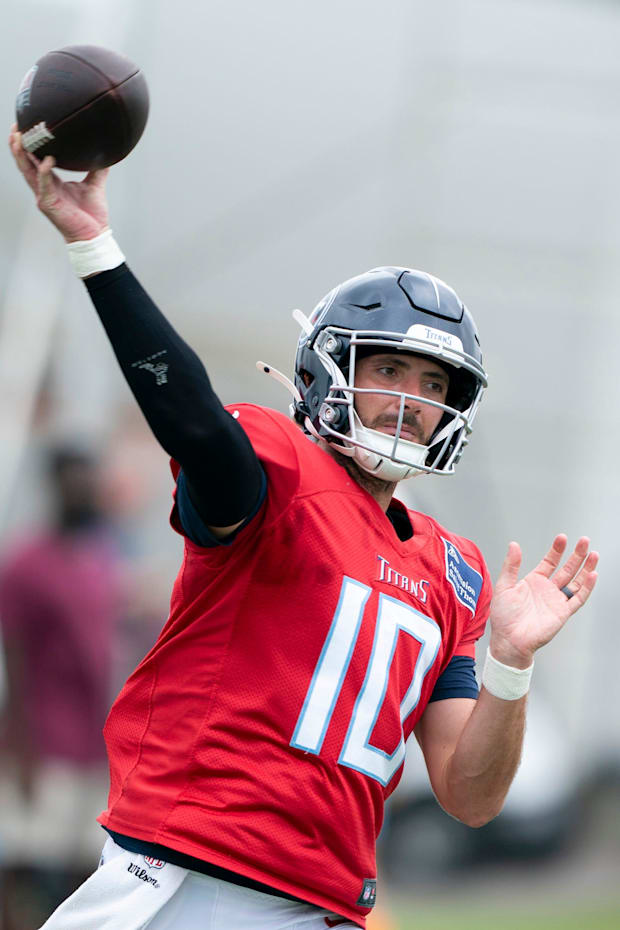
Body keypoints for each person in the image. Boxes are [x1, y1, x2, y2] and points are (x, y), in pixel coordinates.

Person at [8, 127, 598, 930]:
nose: (410, 399)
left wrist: (510, 663)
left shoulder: (454, 570)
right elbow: (196, 427)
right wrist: (97, 250)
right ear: (330, 370)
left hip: (319, 911)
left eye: (433, 383)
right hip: (178, 883)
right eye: (388, 368)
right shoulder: (279, 469)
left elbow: (470, 795)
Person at [0, 445, 123, 930]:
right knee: (25, 861)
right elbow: (14, 659)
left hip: (93, 744)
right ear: (56, 487)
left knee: (83, 868)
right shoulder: (26, 564)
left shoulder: (98, 559)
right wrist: (21, 749)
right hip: (44, 742)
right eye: (77, 481)